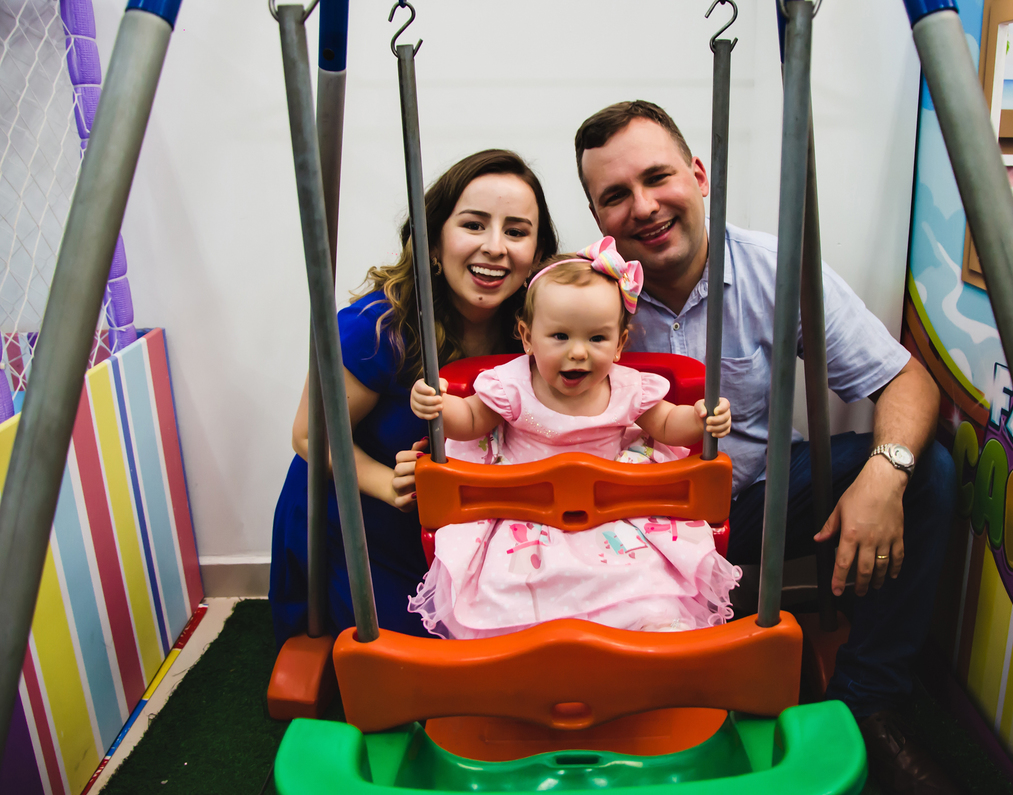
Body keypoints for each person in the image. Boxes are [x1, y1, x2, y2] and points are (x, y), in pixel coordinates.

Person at [575, 101, 959, 795]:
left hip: (754, 501)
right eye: (614, 195)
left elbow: (907, 380)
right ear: (598, 217)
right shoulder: (580, 295)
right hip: (626, 528)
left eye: (657, 177)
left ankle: (866, 704)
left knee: (924, 470)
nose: (643, 206)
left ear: (698, 175)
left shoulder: (774, 268)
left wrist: (886, 470)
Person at [270, 149, 559, 648]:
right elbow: (308, 435)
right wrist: (389, 485)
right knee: (418, 666)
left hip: (459, 526)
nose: (495, 247)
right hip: (362, 521)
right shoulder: (380, 326)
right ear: (431, 241)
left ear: (536, 252)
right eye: (473, 225)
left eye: (516, 231)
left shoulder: (534, 331)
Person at [407, 237, 738, 639]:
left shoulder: (629, 388)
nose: (578, 353)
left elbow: (668, 425)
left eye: (596, 339)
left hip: (613, 514)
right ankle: (519, 643)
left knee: (644, 576)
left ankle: (645, 630)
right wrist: (439, 406)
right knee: (505, 582)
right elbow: (472, 419)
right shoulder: (512, 385)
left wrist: (702, 419)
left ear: (620, 345)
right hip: (526, 514)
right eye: (560, 337)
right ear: (527, 337)